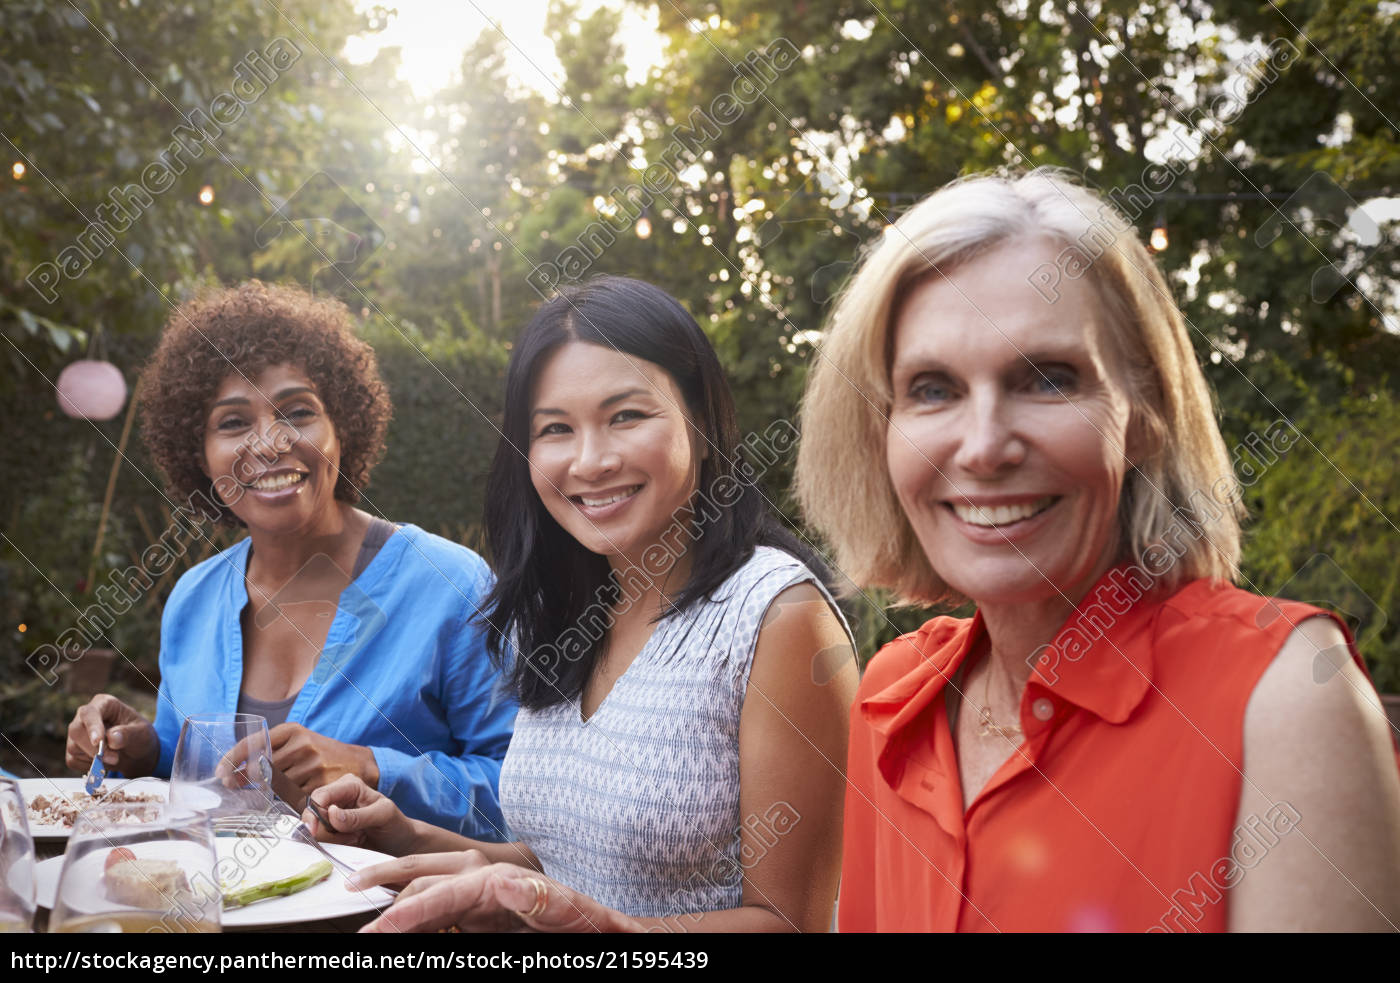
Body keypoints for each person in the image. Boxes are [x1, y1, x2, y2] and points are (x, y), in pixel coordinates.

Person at [794, 169, 1400, 932]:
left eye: (1048, 379)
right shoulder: (891, 700)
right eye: (933, 389)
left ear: (1143, 414)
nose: (982, 447)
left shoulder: (1283, 701)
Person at [305, 275, 857, 933]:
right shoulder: (565, 607)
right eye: (556, 429)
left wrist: (599, 929)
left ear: (702, 427)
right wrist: (407, 836)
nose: (591, 460)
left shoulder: (775, 617)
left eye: (626, 415)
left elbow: (791, 923)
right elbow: (561, 862)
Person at [64, 281, 516, 838]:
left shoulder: (450, 584)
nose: (270, 442)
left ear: (341, 429)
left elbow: (525, 795)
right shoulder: (194, 599)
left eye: (298, 411)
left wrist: (373, 768)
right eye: (232, 422)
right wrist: (144, 750)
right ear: (198, 455)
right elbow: (197, 779)